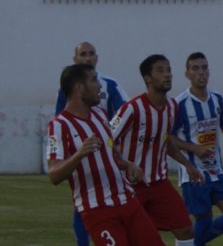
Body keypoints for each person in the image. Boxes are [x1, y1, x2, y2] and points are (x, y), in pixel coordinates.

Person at [48, 63, 163, 245]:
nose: (100, 86)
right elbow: (53, 174)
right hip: (97, 210)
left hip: (127, 201)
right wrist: (79, 154)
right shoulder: (59, 126)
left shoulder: (100, 114)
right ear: (79, 87)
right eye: (94, 80)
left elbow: (112, 153)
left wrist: (128, 165)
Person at [110, 55, 203, 245]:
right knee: (134, 237)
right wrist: (124, 164)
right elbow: (107, 140)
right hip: (131, 186)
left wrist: (187, 165)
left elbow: (164, 139)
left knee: (185, 229)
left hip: (159, 184)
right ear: (147, 78)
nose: (167, 75)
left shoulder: (172, 106)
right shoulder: (132, 108)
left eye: (168, 70)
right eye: (160, 70)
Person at [55, 41, 130, 246]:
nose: (88, 58)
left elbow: (126, 113)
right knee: (84, 203)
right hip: (84, 159)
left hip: (110, 157)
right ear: (76, 60)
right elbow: (60, 120)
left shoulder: (110, 85)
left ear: (97, 57)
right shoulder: (67, 90)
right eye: (83, 54)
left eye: (91, 54)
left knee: (117, 203)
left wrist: (110, 138)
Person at [170, 52, 223, 246]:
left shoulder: (216, 98)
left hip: (216, 170)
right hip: (193, 173)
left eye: (204, 68)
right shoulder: (179, 104)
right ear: (187, 74)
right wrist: (194, 148)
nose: (201, 73)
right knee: (203, 219)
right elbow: (167, 137)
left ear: (209, 71)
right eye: (195, 68)